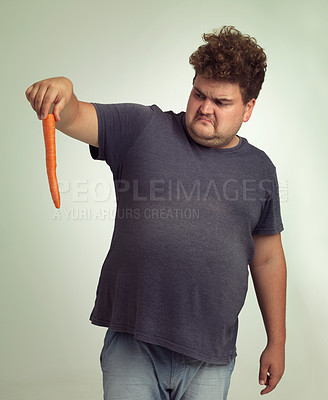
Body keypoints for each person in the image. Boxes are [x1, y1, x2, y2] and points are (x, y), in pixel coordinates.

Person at [26, 26, 287, 400]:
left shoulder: (260, 170)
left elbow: (267, 258)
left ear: (248, 108)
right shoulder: (143, 128)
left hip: (209, 355)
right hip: (134, 345)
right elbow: (74, 116)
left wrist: (276, 341)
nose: (205, 108)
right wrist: (63, 91)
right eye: (199, 93)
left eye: (221, 102)